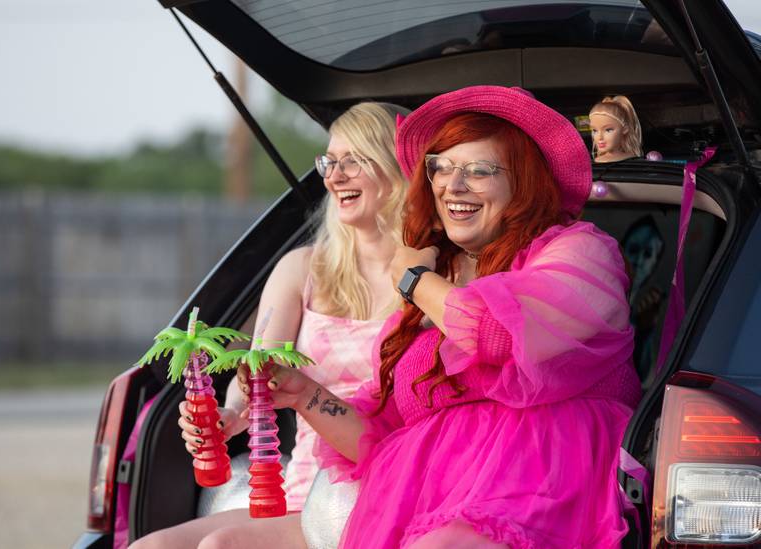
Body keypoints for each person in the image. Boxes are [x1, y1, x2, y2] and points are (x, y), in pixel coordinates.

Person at [239, 86, 642, 548]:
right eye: (441, 168)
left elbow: (496, 335)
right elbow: (379, 440)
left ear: (525, 182)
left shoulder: (578, 252)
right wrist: (304, 394)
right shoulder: (435, 283)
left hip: (540, 483)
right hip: (428, 501)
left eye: (479, 170)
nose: (452, 185)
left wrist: (411, 278)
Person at [129, 101, 410, 549]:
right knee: (149, 547)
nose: (334, 177)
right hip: (298, 493)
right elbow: (255, 373)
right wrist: (230, 417)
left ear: (398, 167)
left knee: (219, 547)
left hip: (384, 493)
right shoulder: (303, 269)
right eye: (329, 162)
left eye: (352, 160)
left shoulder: (433, 280)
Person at [589, 95, 643, 163]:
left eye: (608, 130)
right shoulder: (590, 166)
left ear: (625, 129)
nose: (600, 137)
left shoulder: (636, 163)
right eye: (595, 130)